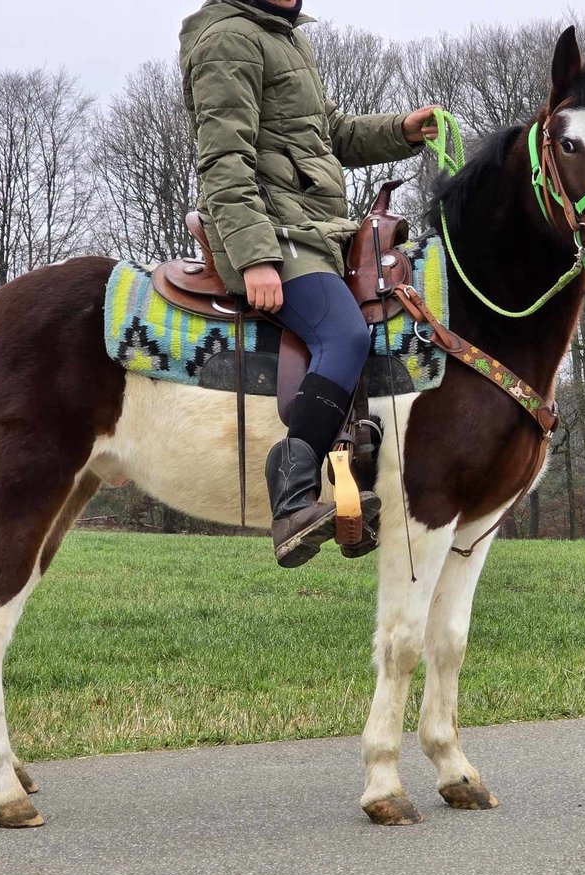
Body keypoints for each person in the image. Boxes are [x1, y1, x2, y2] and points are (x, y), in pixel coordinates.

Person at [180, 0, 439, 567]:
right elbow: (223, 160)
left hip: (312, 226)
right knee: (344, 336)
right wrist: (255, 258)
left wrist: (401, 130)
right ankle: (292, 494)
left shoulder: (286, 37)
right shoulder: (229, 40)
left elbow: (330, 134)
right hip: (271, 230)